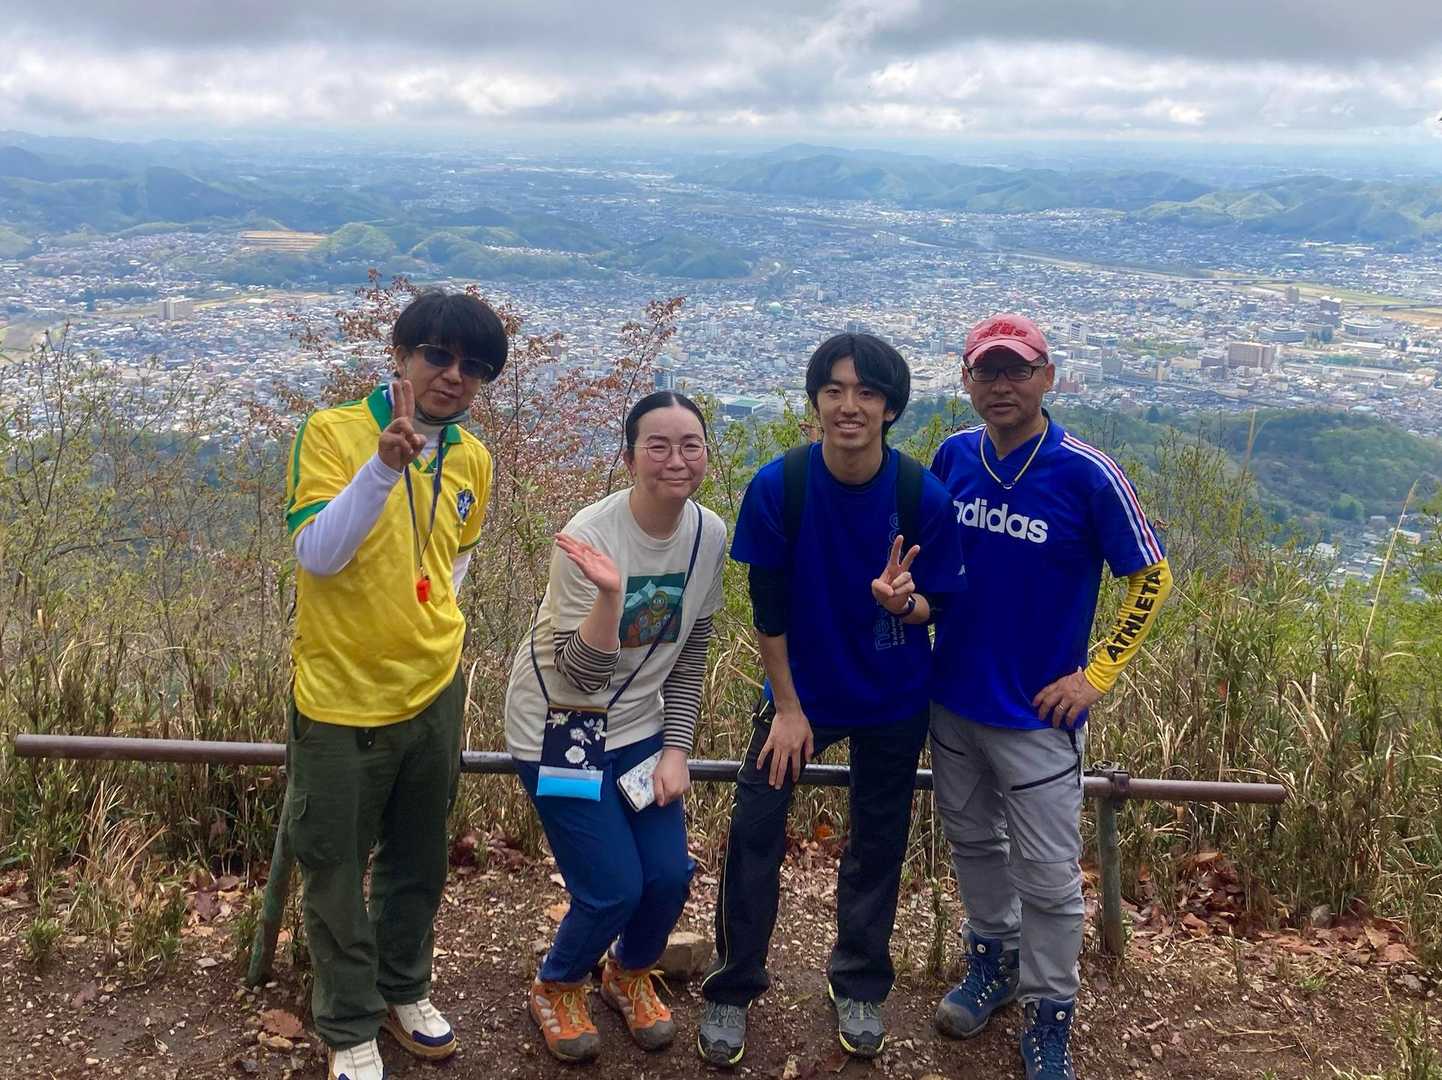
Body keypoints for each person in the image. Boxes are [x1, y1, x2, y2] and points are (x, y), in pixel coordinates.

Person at [697, 333, 965, 1066]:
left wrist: (904, 604)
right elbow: (769, 611)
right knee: (755, 828)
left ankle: (859, 983)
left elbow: (939, 606)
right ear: (815, 401)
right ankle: (732, 985)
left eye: (867, 392)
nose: (850, 405)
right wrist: (788, 709)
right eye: (835, 390)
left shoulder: (921, 497)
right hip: (801, 693)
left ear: (890, 408)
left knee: (878, 839)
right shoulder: (780, 486)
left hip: (893, 695)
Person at [928, 313, 1173, 1080]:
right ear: (967, 381)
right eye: (987, 370)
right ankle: (993, 962)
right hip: (953, 697)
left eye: (1018, 369)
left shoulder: (1086, 472)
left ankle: (1049, 1012)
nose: (1002, 385)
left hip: (1038, 714)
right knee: (974, 846)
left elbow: (1151, 575)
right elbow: (930, 558)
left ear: (1048, 377)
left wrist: (1097, 674)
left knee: (1048, 875)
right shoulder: (953, 457)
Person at [283, 289, 507, 1080]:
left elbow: (453, 563)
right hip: (341, 693)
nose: (454, 376)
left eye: (475, 367)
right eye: (438, 355)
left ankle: (402, 987)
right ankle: (347, 1021)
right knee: (335, 867)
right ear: (401, 355)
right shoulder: (334, 431)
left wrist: (429, 625)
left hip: (433, 686)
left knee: (419, 856)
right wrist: (382, 468)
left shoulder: (473, 457)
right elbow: (317, 554)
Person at [504, 390, 728, 1064]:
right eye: (657, 446)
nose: (675, 459)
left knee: (668, 877)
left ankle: (628, 973)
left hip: (638, 726)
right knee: (611, 889)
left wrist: (677, 748)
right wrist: (610, 594)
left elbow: (691, 651)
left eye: (689, 445)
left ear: (706, 455)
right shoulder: (592, 536)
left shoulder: (708, 535)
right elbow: (580, 676)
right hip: (559, 726)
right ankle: (557, 983)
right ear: (628, 458)